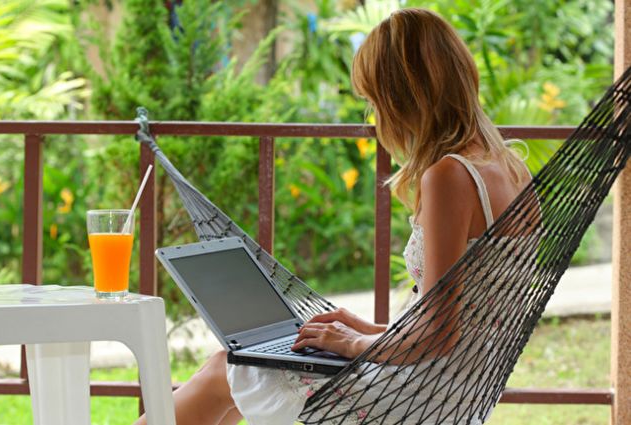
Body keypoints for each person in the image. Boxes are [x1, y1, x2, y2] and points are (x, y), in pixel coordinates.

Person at [134, 7, 531, 425]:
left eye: (374, 101)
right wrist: (366, 329)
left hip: (417, 399)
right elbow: (466, 320)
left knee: (227, 367)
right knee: (242, 368)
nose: (375, 117)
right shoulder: (512, 169)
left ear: (404, 98)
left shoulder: (449, 177)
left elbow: (439, 334)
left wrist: (352, 344)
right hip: (454, 394)